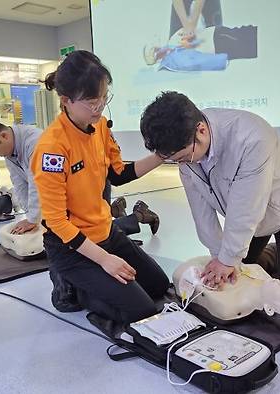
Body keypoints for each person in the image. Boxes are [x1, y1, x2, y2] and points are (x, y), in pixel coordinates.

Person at [140, 92, 280, 297]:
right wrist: (219, 256)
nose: (182, 164)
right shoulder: (185, 153)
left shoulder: (251, 138)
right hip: (246, 217)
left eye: (184, 157)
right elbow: (201, 211)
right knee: (240, 275)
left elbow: (247, 207)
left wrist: (228, 260)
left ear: (201, 130)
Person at [31, 50, 169, 323]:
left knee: (159, 286)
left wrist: (161, 156)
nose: (100, 108)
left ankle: (98, 280)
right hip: (72, 249)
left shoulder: (101, 126)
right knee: (140, 311)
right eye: (92, 102)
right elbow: (57, 222)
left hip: (106, 232)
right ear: (66, 101)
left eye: (105, 98)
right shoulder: (52, 149)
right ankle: (72, 286)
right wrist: (104, 259)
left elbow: (118, 174)